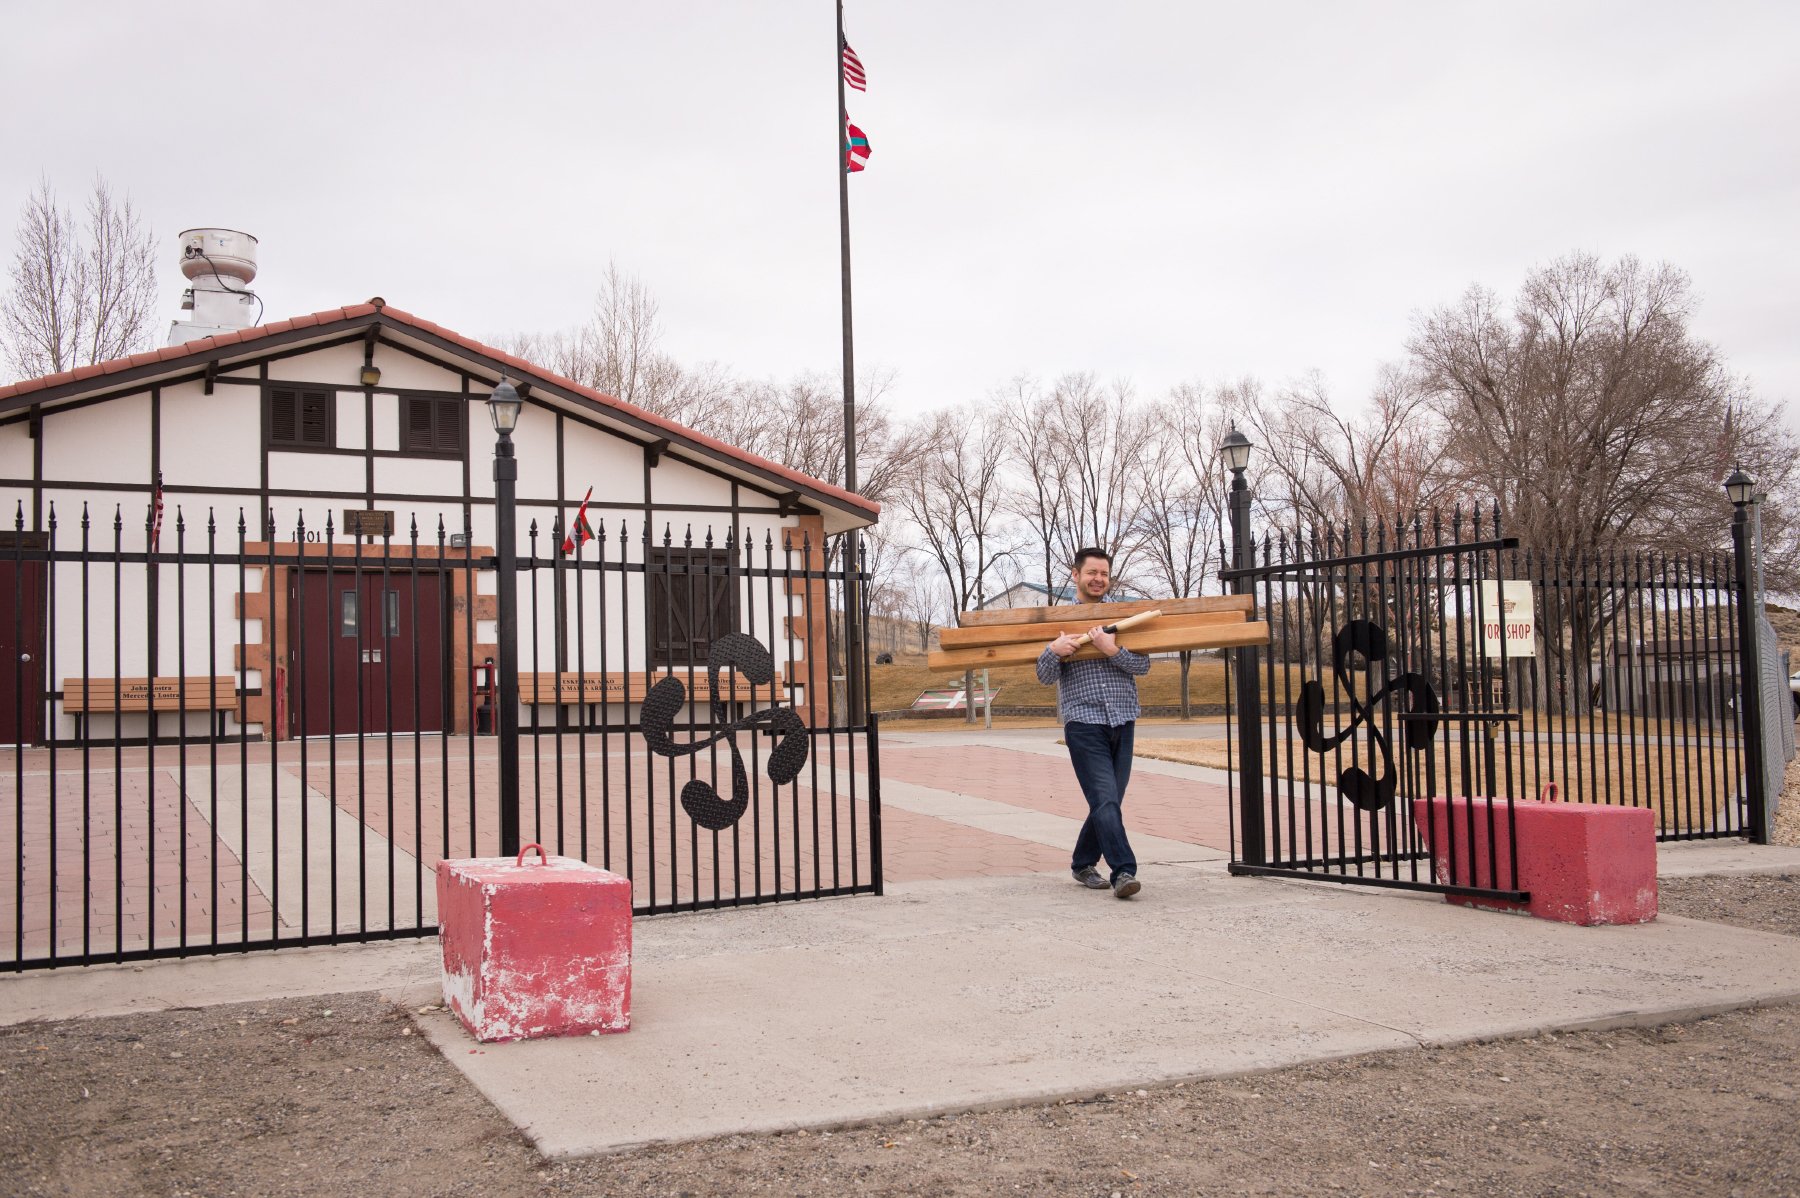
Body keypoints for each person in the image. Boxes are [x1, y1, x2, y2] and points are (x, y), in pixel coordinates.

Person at [1036, 547, 1149, 899]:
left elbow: (1143, 666)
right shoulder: (1058, 620)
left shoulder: (1125, 617)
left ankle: (1083, 862)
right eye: (1092, 573)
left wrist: (1111, 649)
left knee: (1108, 800)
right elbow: (1043, 676)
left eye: (1104, 573)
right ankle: (1123, 871)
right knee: (1104, 797)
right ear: (1076, 574)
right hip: (1083, 723)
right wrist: (1053, 651)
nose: (1098, 579)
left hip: (1123, 717)